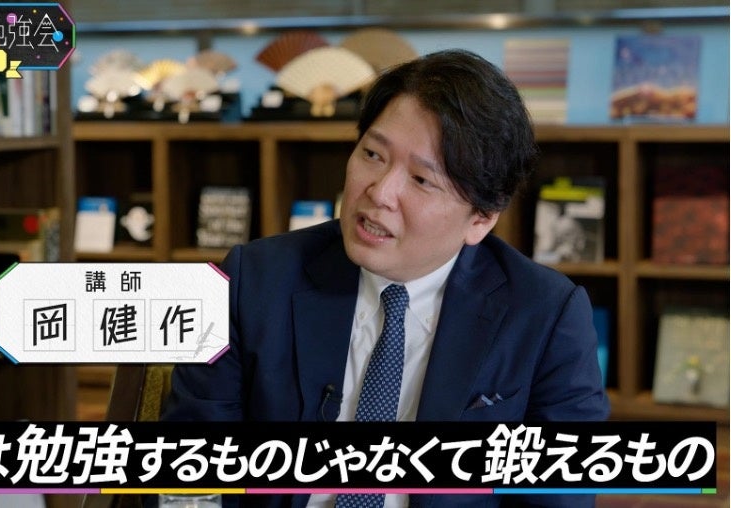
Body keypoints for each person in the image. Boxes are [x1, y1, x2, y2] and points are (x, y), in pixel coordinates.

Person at [160, 49, 610, 508]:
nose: (379, 192)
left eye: (421, 180)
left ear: (481, 218)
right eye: (373, 154)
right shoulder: (250, 282)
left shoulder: (545, 315)